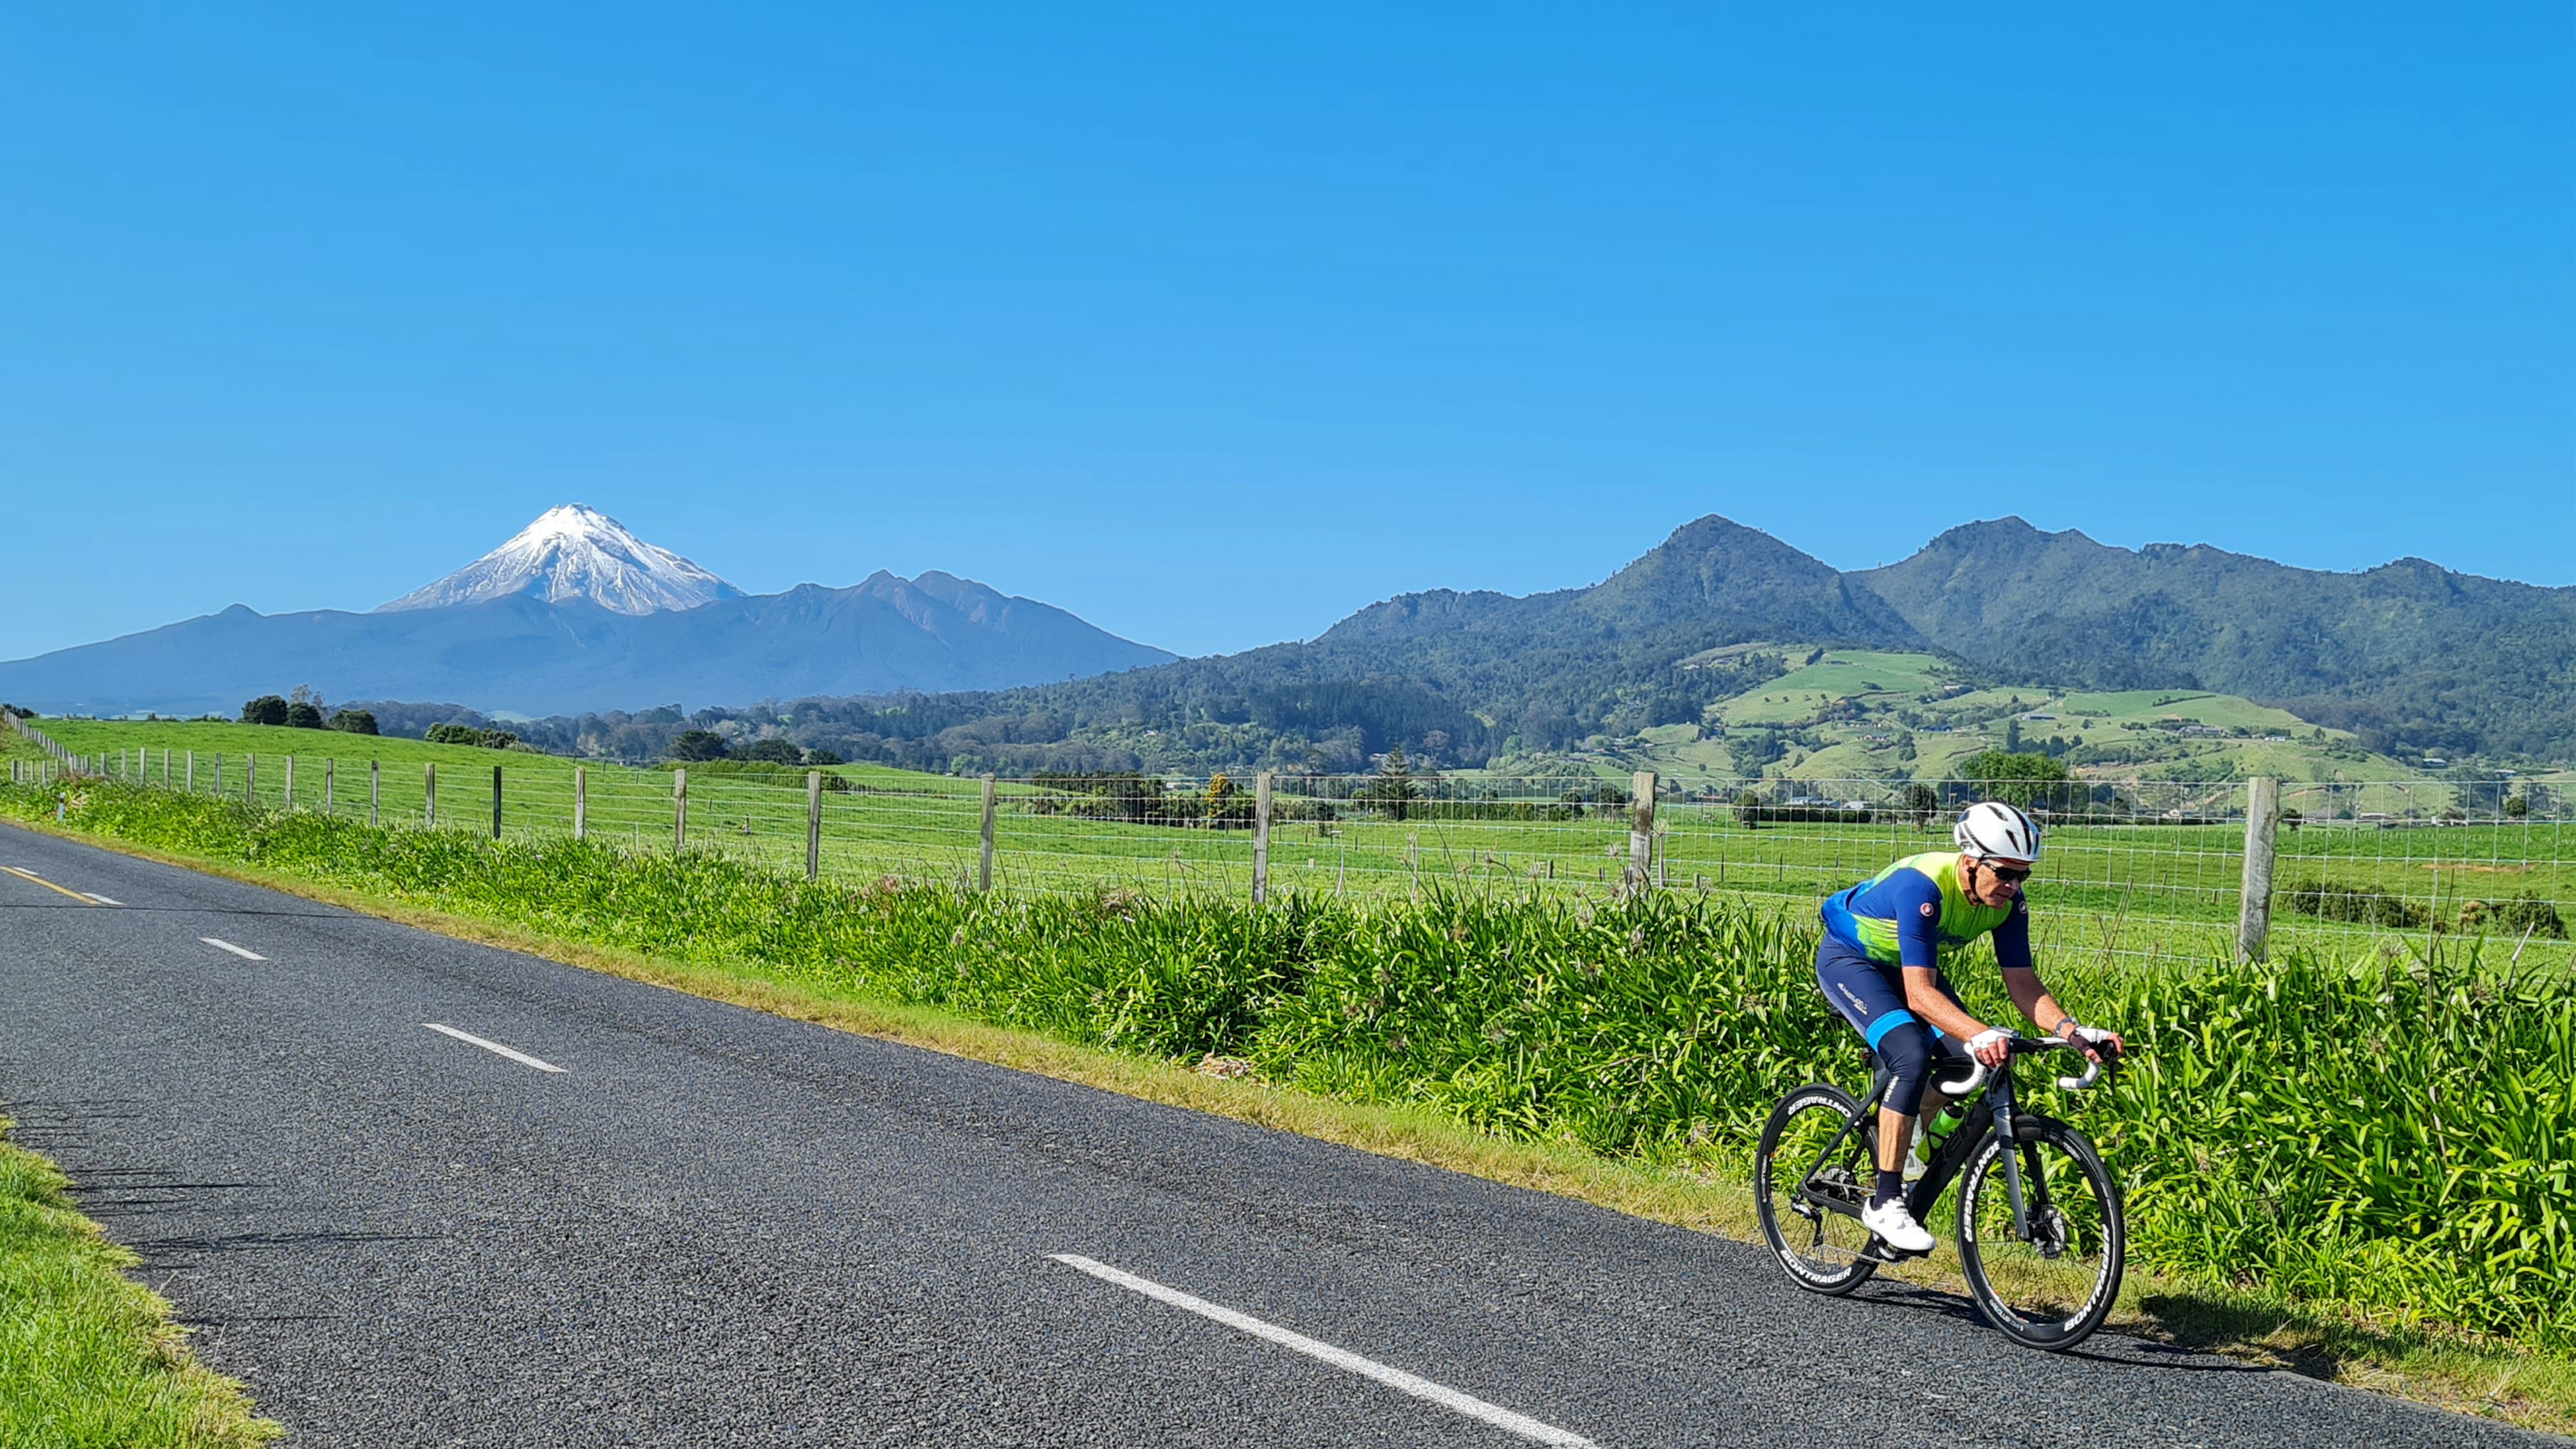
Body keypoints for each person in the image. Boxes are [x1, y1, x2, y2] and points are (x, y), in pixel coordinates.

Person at [1813, 801, 2123, 1254]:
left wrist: (2072, 1031)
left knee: (1963, 1059)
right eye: (2004, 873)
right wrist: (1981, 1032)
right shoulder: (1922, 887)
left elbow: (2022, 983)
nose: (2013, 886)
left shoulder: (2007, 904)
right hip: (1852, 962)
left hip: (1907, 970)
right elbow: (1920, 995)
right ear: (1971, 861)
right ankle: (1885, 1201)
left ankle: (1904, 1127)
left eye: (2024, 876)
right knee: (1912, 1055)